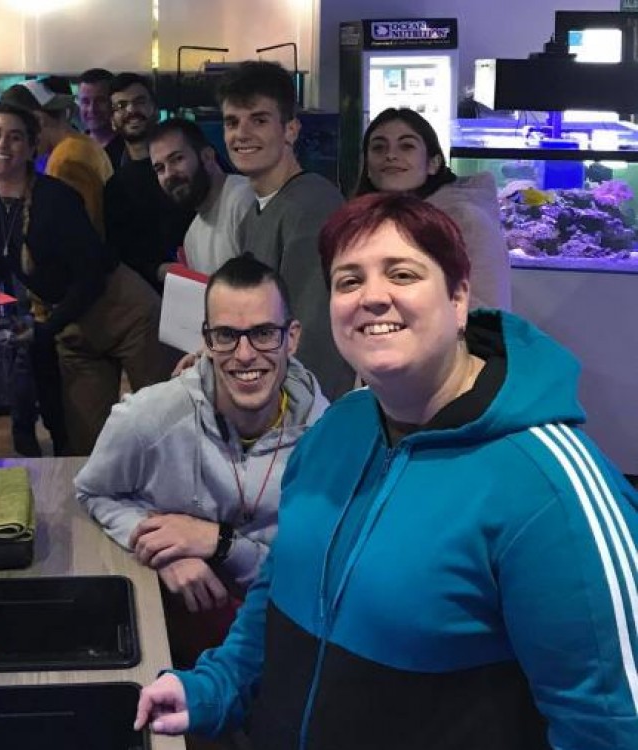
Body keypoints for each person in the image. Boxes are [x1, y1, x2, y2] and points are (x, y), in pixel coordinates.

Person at [134, 192, 638, 750]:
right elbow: (281, 587)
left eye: (402, 273)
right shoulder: (337, 428)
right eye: (349, 280)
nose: (372, 297)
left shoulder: (552, 489)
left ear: (458, 297)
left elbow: (610, 725)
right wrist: (217, 685)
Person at [76, 254, 327, 664]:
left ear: (292, 337)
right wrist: (164, 551)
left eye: (264, 333)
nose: (244, 354)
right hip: (180, 643)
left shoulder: (327, 439)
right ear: (207, 340)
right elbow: (94, 492)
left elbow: (315, 577)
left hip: (285, 641)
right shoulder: (150, 418)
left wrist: (220, 543)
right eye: (227, 335)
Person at [0, 102, 170, 455]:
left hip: (127, 315)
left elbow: (91, 275)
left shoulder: (54, 198)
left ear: (32, 147)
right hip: (75, 325)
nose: (3, 145)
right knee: (83, 444)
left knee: (162, 424)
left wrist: (47, 328)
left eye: (15, 137)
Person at [218, 61, 354, 400]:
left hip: (303, 408)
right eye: (232, 122)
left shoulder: (311, 206)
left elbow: (314, 336)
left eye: (259, 120)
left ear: (291, 129)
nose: (241, 134)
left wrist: (291, 412)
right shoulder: (254, 213)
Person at [356, 106, 512, 311]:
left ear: (433, 163)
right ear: (367, 166)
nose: (390, 155)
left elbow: (486, 312)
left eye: (406, 146)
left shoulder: (466, 221)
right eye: (378, 147)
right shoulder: (363, 223)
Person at [103, 73, 194, 293]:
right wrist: (158, 270)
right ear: (112, 120)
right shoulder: (116, 185)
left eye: (139, 101)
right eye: (121, 106)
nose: (131, 110)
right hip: (152, 293)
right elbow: (121, 251)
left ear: (155, 108)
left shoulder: (190, 154)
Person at [1, 77, 113, 236]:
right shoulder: (82, 144)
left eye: (16, 132)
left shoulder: (65, 161)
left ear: (38, 120)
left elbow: (71, 233)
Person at [148, 118, 255, 275]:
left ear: (207, 156)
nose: (169, 174)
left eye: (177, 159)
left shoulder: (244, 199)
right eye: (160, 168)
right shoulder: (191, 238)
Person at [77, 67, 126, 168]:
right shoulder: (74, 147)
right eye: (85, 101)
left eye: (100, 101)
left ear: (114, 102)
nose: (92, 109)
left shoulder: (129, 150)